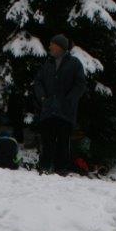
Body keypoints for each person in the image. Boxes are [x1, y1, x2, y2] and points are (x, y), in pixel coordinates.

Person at [32, 34, 87, 174]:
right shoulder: (47, 64)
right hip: (48, 110)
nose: (50, 47)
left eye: (53, 44)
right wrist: (42, 98)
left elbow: (80, 85)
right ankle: (44, 168)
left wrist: (69, 100)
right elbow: (38, 82)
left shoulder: (74, 63)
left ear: (60, 47)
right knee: (47, 141)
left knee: (63, 142)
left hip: (65, 112)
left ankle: (61, 170)